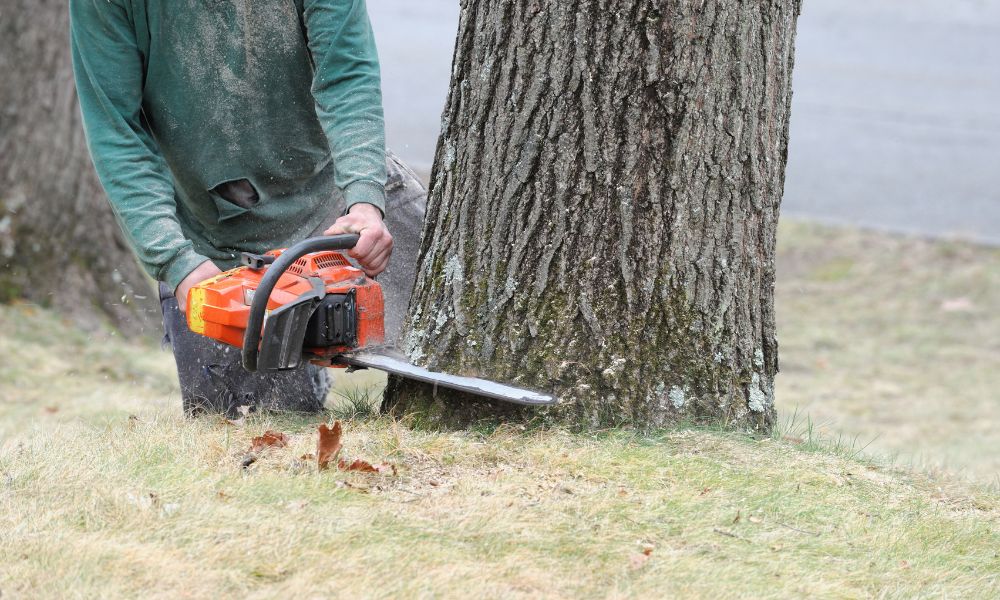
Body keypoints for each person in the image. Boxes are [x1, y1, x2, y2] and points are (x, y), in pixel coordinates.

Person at [69, 0, 426, 416]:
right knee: (253, 434)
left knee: (463, 318)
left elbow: (346, 77)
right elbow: (118, 134)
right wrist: (176, 262)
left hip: (339, 199)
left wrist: (365, 201)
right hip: (218, 244)